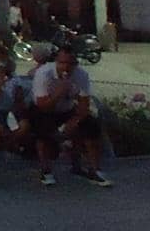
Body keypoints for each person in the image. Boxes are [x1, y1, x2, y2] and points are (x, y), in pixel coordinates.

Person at [28, 44, 110, 187]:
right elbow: (42, 104)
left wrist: (74, 121)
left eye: (69, 64)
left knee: (91, 127)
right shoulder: (44, 73)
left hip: (67, 109)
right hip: (44, 109)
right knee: (43, 130)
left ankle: (94, 169)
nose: (65, 67)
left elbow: (84, 103)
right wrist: (60, 91)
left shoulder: (81, 75)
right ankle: (45, 169)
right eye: (62, 63)